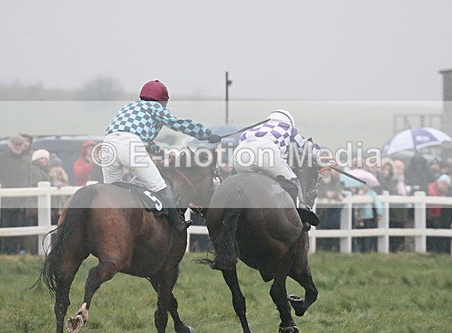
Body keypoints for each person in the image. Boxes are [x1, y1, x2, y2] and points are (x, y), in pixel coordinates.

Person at [101, 80, 220, 231]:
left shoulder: (129, 106)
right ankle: (177, 224)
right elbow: (179, 124)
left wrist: (162, 154)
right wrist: (207, 135)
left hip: (107, 145)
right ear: (164, 100)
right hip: (130, 146)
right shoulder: (156, 107)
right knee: (161, 188)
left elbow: (146, 141)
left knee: (112, 194)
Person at [232, 109, 321, 228]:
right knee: (293, 181)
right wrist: (318, 153)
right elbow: (306, 148)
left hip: (240, 153)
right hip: (265, 150)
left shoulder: (252, 130)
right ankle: (301, 214)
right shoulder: (288, 127)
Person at [0, 134, 32, 253]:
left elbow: (28, 179)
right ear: (10, 145)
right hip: (5, 201)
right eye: (16, 145)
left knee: (18, 228)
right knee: (4, 226)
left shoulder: (26, 161)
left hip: (20, 201)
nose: (18, 147)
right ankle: (2, 252)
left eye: (20, 145)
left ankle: (13, 252)